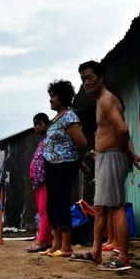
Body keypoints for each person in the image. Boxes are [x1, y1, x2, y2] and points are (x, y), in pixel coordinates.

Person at [72, 60, 140, 270]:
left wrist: (126, 152)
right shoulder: (101, 101)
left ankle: (123, 257)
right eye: (83, 79)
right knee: (100, 208)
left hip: (112, 156)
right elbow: (121, 128)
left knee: (116, 208)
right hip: (105, 157)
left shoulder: (106, 100)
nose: (86, 82)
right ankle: (96, 252)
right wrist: (127, 151)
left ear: (101, 77)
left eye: (90, 78)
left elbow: (122, 130)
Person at [41, 80, 88, 257]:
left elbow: (82, 143)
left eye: (53, 96)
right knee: (52, 204)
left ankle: (67, 246)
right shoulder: (55, 119)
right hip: (52, 165)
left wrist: (78, 160)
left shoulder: (69, 117)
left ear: (62, 96)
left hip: (64, 165)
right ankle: (56, 244)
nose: (50, 99)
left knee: (61, 202)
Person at [27, 113, 53, 254]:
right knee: (42, 211)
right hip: (38, 182)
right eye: (35, 124)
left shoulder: (50, 139)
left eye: (40, 124)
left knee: (44, 212)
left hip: (45, 181)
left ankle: (42, 239)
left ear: (47, 124)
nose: (37, 127)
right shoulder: (42, 141)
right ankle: (47, 240)